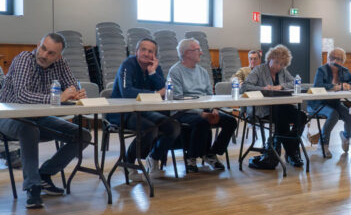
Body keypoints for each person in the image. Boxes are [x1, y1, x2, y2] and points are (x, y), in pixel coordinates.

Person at [0, 33, 90, 208]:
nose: (44, 55)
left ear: (58, 56)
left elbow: (72, 87)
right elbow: (22, 96)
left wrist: (77, 93)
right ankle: (32, 187)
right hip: (7, 117)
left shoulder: (61, 64)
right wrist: (58, 98)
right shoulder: (24, 59)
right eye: (43, 49)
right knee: (29, 129)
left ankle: (44, 175)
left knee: (82, 135)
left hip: (38, 117)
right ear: (38, 45)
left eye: (51, 53)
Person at [109, 38, 180, 179]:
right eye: (143, 49)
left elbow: (164, 90)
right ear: (136, 51)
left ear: (155, 55)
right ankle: (128, 163)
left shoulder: (155, 67)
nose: (146, 53)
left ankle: (153, 157)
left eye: (150, 51)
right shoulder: (127, 65)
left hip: (145, 111)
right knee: (150, 129)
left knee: (173, 126)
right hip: (123, 112)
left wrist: (153, 73)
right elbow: (127, 92)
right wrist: (155, 94)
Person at [168, 38, 238, 172]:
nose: (201, 52)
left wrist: (214, 109)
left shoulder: (203, 72)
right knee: (202, 122)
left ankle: (211, 153)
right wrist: (201, 113)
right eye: (197, 50)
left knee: (231, 121)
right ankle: (191, 157)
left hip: (204, 109)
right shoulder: (175, 71)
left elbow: (209, 95)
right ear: (187, 53)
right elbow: (177, 99)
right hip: (183, 111)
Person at [241, 44, 305, 170]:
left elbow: (295, 83)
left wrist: (281, 86)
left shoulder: (282, 71)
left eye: (282, 64)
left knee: (301, 117)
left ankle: (289, 150)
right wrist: (263, 89)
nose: (278, 67)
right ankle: (292, 153)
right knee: (282, 119)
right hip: (262, 108)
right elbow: (245, 86)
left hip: (282, 107)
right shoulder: (259, 69)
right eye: (276, 62)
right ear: (270, 59)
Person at [308, 47, 351, 157]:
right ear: (328, 58)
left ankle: (345, 136)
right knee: (334, 114)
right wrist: (337, 87)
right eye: (332, 58)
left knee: (350, 116)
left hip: (334, 103)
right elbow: (318, 85)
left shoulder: (344, 71)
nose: (335, 61)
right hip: (318, 103)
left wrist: (349, 85)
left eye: (339, 59)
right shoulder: (322, 70)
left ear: (343, 61)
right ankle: (323, 144)